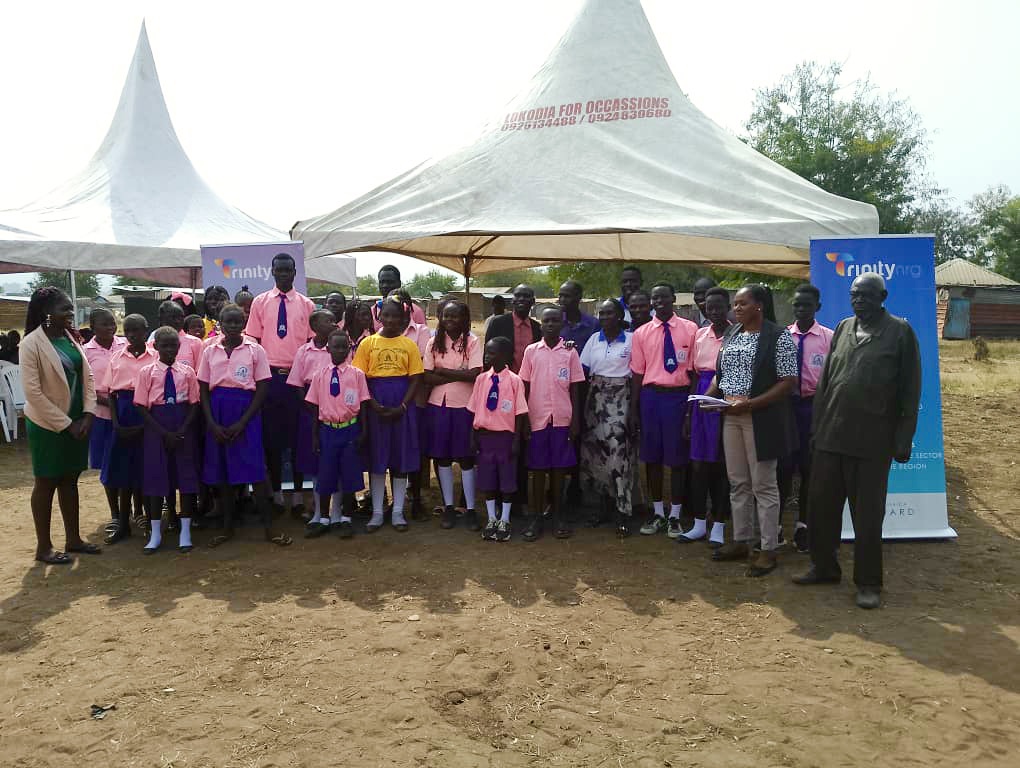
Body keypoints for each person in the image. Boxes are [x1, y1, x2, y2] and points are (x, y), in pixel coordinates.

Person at [793, 274, 921, 609]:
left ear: (883, 296)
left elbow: (910, 390)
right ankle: (824, 567)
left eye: (865, 295)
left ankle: (868, 582)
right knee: (821, 508)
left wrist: (903, 438)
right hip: (830, 437)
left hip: (872, 443)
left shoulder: (900, 332)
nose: (858, 300)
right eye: (854, 295)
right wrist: (816, 431)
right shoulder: (844, 328)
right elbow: (825, 384)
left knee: (867, 516)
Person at [706, 284, 799, 577]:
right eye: (735, 304)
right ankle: (742, 541)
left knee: (763, 485)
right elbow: (721, 374)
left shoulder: (778, 336)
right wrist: (709, 397)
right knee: (738, 482)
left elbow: (787, 382)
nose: (736, 309)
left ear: (759, 305)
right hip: (730, 416)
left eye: (742, 304)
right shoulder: (732, 334)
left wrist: (751, 404)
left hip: (761, 418)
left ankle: (768, 549)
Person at [198, 303, 292, 547]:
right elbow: (203, 389)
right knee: (223, 474)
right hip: (217, 412)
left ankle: (269, 528)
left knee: (256, 472)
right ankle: (227, 527)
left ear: (244, 323)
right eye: (228, 321)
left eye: (238, 321)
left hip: (246, 413)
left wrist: (243, 422)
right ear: (219, 323)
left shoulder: (255, 350)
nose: (233, 326)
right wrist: (211, 422)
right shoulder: (209, 351)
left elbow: (262, 388)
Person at [20, 287, 101, 564]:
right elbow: (33, 394)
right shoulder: (31, 344)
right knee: (46, 482)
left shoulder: (70, 337)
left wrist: (88, 414)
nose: (70, 314)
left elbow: (88, 379)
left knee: (70, 479)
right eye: (65, 309)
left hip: (79, 420)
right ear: (47, 313)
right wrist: (67, 424)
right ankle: (44, 547)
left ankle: (74, 539)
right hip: (48, 425)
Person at [244, 253, 316, 513]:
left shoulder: (307, 305)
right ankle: (275, 496)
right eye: (279, 270)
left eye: (288, 270)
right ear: (272, 272)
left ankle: (297, 496)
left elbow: (311, 345)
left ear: (295, 272)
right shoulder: (260, 303)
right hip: (270, 379)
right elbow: (252, 339)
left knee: (298, 440)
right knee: (272, 441)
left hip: (298, 380)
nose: (284, 274)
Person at [630, 283, 698, 539]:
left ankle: (675, 515)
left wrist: (690, 408)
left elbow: (693, 372)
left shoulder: (691, 330)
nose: (659, 301)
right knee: (653, 458)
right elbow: (638, 373)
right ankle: (658, 511)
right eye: (654, 298)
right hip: (650, 398)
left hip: (678, 397)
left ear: (673, 299)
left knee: (678, 459)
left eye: (664, 297)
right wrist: (634, 409)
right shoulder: (641, 333)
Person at [352, 296, 425, 532]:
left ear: (404, 318)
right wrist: (372, 404)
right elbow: (359, 378)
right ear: (379, 317)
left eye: (397, 316)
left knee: (399, 458)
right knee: (377, 459)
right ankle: (376, 513)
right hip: (375, 406)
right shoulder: (367, 344)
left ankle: (397, 512)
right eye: (387, 315)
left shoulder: (409, 345)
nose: (391, 320)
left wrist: (403, 406)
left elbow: (415, 378)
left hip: (402, 407)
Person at [519, 306, 585, 541]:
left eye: (555, 320)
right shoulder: (531, 351)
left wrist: (576, 420)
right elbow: (524, 386)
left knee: (558, 470)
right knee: (537, 470)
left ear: (562, 323)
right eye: (546, 320)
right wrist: (525, 419)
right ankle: (536, 516)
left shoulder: (569, 353)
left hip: (562, 419)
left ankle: (558, 515)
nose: (550, 324)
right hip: (537, 418)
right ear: (541, 323)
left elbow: (576, 388)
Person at [134, 326, 201, 553]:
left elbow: (193, 404)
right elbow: (142, 407)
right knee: (156, 478)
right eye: (165, 345)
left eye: (174, 345)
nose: (170, 349)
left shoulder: (187, 372)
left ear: (179, 347)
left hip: (182, 426)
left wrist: (182, 429)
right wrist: (163, 432)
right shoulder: (146, 372)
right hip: (157, 427)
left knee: (186, 478)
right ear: (155, 346)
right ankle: (155, 534)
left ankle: (185, 531)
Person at [779, 284, 834, 553]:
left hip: (813, 408)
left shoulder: (828, 338)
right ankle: (776, 526)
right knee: (783, 468)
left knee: (809, 469)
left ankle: (803, 526)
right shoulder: (782, 337)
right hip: (786, 408)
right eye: (797, 305)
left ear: (817, 307)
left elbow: (833, 378)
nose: (801, 310)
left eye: (807, 305)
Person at [423, 300, 483, 530]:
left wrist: (444, 372)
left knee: (467, 458)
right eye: (446, 317)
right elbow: (427, 377)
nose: (450, 321)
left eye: (455, 316)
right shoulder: (433, 342)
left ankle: (469, 509)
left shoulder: (472, 341)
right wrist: (459, 373)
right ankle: (448, 507)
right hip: (438, 405)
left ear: (464, 319)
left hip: (465, 406)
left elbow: (475, 374)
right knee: (443, 457)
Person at [306, 329, 371, 539]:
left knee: (350, 475)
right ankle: (323, 518)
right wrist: (315, 435)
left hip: (350, 429)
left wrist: (364, 431)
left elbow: (364, 404)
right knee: (326, 474)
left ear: (349, 349)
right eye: (336, 346)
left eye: (344, 346)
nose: (340, 350)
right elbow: (314, 407)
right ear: (328, 348)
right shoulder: (319, 375)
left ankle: (346, 518)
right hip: (327, 431)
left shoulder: (357, 375)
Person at [578, 299, 635, 537]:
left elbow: (638, 375)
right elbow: (584, 372)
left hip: (621, 401)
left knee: (619, 457)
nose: (603, 317)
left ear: (620, 316)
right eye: (601, 313)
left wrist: (634, 412)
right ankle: (602, 508)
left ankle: (622, 511)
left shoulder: (632, 340)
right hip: (596, 401)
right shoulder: (594, 339)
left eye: (609, 313)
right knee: (597, 456)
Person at [681, 287, 731, 546]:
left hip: (726, 397)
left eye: (718, 307)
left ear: (728, 306)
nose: (713, 311)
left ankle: (719, 524)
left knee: (721, 465)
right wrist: (689, 414)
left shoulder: (737, 335)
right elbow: (693, 375)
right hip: (701, 396)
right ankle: (699, 523)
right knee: (699, 464)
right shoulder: (700, 335)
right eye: (709, 307)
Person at [102, 314, 158, 543]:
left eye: (137, 330)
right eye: (128, 331)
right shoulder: (116, 357)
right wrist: (116, 423)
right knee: (123, 473)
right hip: (123, 416)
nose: (133, 335)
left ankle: (146, 519)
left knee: (145, 472)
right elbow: (111, 394)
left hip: (148, 416)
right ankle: (123, 523)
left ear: (146, 331)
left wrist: (148, 423)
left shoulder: (155, 357)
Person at [468, 336, 528, 542]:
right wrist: (473, 436)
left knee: (507, 480)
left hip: (505, 438)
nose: (487, 355)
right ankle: (491, 518)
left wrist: (516, 440)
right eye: (487, 351)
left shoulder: (515, 381)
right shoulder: (481, 379)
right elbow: (474, 410)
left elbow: (520, 413)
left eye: (492, 352)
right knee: (487, 480)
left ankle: (505, 519)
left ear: (504, 356)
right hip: (485, 437)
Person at [286, 310, 338, 522]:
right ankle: (316, 508)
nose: (334, 323)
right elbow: (297, 382)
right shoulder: (304, 351)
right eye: (328, 321)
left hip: (333, 410)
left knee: (332, 457)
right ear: (315, 326)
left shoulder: (338, 348)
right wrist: (310, 406)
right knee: (314, 459)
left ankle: (335, 509)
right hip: (309, 410)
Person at [83, 308, 127, 529]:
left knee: (128, 462)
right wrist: (108, 403)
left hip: (127, 414)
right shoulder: (86, 352)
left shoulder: (125, 344)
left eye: (112, 323)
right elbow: (86, 388)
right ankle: (116, 512)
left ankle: (135, 511)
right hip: (102, 416)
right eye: (105, 324)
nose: (111, 327)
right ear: (92, 327)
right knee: (107, 466)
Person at [485, 284, 540, 374]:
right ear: (512, 300)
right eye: (518, 295)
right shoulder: (497, 323)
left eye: (526, 296)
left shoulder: (537, 328)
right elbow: (487, 355)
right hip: (502, 381)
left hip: (530, 382)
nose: (521, 299)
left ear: (533, 301)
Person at [148, 300, 203, 370]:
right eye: (173, 317)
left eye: (181, 317)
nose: (177, 321)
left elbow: (199, 372)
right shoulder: (152, 343)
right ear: (161, 319)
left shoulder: (196, 342)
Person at [558, 280, 599, 351]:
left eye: (567, 296)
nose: (562, 300)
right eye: (560, 296)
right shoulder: (555, 323)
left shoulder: (593, 324)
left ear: (579, 297)